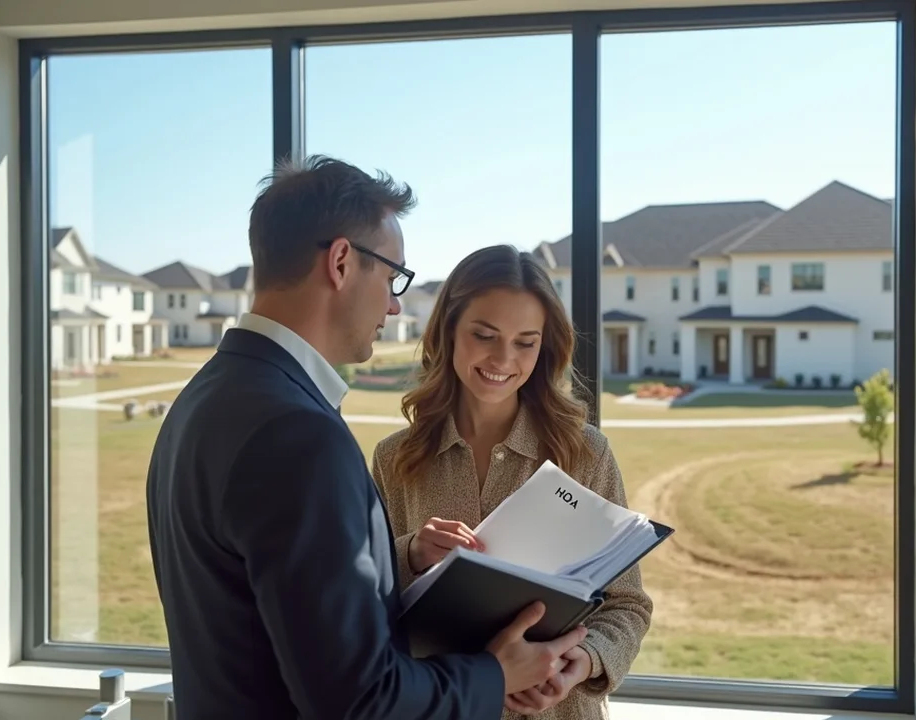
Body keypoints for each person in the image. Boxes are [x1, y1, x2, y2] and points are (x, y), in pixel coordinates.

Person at [145, 156, 587, 720]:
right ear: (341, 261)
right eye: (391, 275)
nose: (395, 303)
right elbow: (358, 699)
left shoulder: (202, 400)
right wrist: (495, 674)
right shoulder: (298, 434)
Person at [371, 244, 653, 719]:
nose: (504, 358)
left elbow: (627, 607)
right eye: (484, 335)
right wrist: (411, 553)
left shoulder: (585, 452)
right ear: (448, 331)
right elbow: (366, 604)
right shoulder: (395, 458)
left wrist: (577, 664)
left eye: (525, 341)